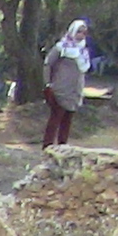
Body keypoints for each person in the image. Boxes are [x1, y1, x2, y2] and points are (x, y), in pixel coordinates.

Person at [44, 19, 90, 147]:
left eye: (84, 32)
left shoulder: (83, 51)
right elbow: (48, 63)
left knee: (67, 120)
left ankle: (63, 146)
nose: (81, 35)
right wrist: (48, 84)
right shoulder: (62, 47)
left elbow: (82, 70)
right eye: (79, 32)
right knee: (55, 119)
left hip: (75, 90)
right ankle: (47, 146)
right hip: (60, 89)